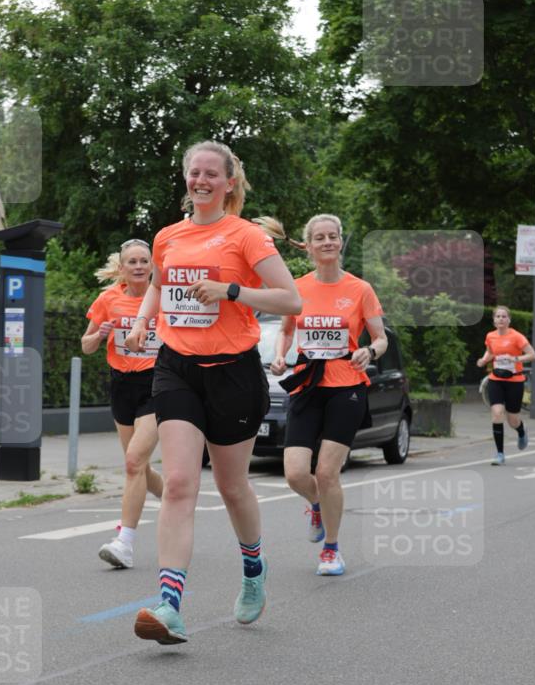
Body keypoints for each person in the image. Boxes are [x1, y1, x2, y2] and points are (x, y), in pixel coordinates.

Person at [124, 140, 301, 645]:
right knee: (180, 482)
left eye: (210, 174)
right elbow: (158, 286)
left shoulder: (245, 236)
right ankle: (169, 605)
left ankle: (253, 570)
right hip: (176, 367)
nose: (200, 181)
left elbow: (291, 299)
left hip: (233, 373)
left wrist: (232, 291)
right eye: (194, 173)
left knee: (231, 485)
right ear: (186, 179)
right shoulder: (167, 236)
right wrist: (142, 321)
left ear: (228, 182)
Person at [267, 214, 387, 575]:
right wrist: (279, 355)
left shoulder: (360, 289)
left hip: (347, 386)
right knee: (295, 474)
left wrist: (370, 351)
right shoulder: (297, 288)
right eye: (319, 237)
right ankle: (317, 503)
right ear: (308, 246)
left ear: (340, 242)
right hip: (307, 383)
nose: (327, 242)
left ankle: (331, 550)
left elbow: (380, 337)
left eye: (332, 236)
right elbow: (286, 331)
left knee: (327, 471)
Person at [81, 240, 163, 569]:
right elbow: (86, 346)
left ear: (152, 266)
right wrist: (99, 335)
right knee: (139, 466)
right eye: (133, 261)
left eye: (144, 261)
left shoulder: (162, 298)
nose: (139, 266)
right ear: (122, 267)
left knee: (133, 461)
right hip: (122, 385)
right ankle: (175, 498)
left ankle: (124, 542)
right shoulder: (108, 299)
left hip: (157, 384)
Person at [476, 305, 535, 465]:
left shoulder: (517, 337)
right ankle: (500, 454)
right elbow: (490, 351)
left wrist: (515, 359)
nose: (501, 319)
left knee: (512, 420)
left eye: (504, 316)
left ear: (509, 320)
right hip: (496, 379)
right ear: (494, 320)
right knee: (497, 414)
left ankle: (521, 431)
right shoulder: (490, 336)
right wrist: (484, 360)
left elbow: (532, 355)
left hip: (515, 381)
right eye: (498, 316)